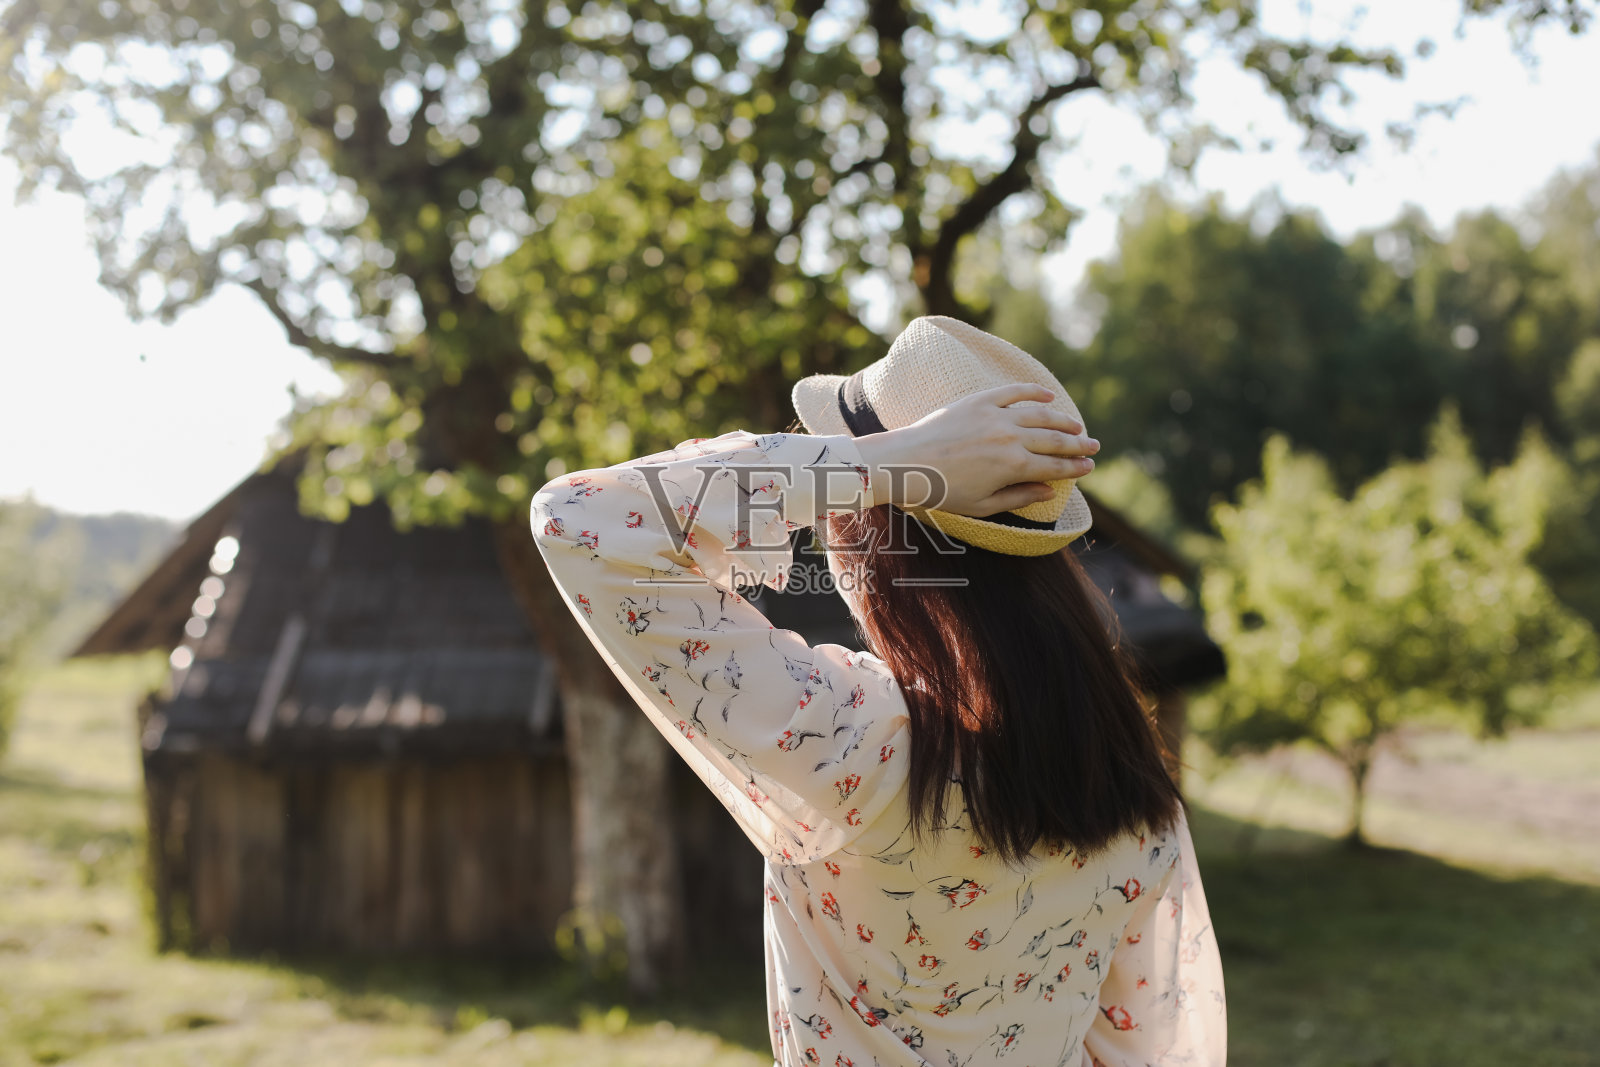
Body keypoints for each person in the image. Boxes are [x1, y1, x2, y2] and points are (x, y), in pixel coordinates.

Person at [529, 315, 1226, 1067]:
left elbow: (579, 518)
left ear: (877, 532)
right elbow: (1139, 1047)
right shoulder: (1127, 777)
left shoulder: (859, 738)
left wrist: (897, 462)